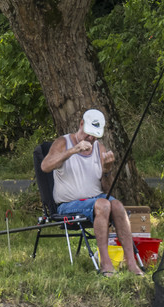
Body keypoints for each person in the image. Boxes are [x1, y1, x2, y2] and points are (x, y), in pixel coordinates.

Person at [41, 108, 146, 276]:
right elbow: (45, 166)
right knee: (104, 205)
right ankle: (105, 264)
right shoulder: (63, 142)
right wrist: (73, 150)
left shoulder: (100, 148)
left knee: (117, 205)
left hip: (97, 199)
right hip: (69, 205)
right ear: (81, 124)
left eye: (94, 135)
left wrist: (107, 170)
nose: (90, 138)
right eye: (88, 133)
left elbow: (107, 189)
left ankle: (132, 263)